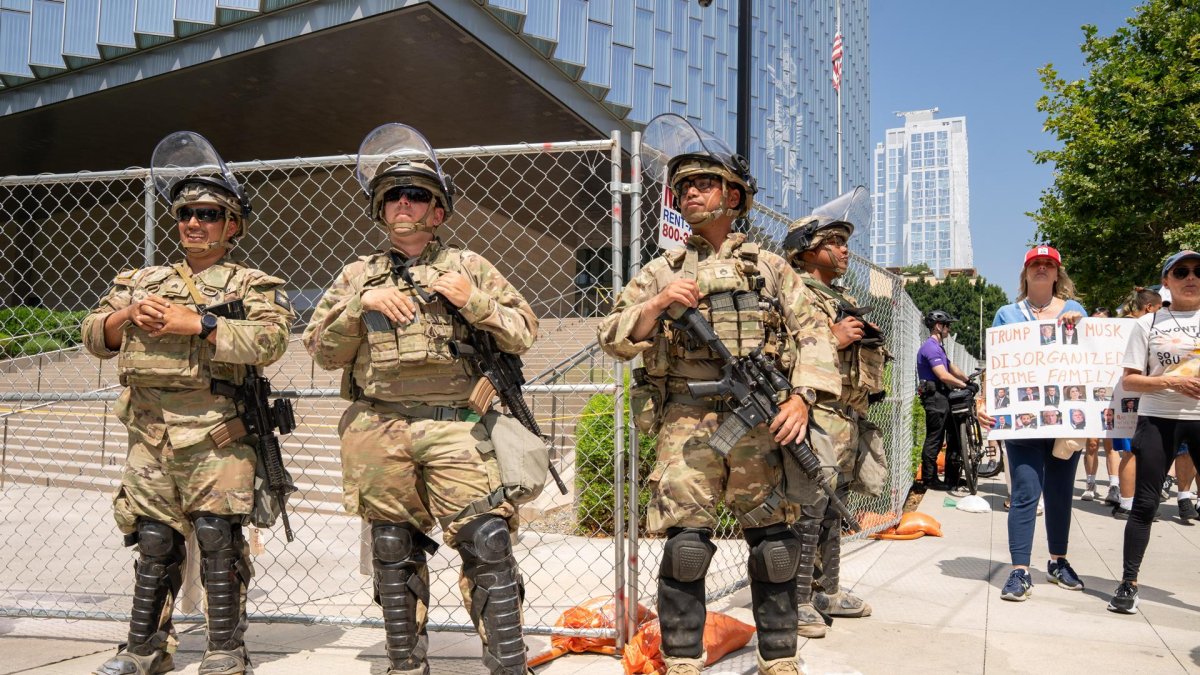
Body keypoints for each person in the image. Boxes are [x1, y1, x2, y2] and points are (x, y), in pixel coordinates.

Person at [597, 113, 840, 675]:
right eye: (682, 186)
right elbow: (611, 336)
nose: (689, 193)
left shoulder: (772, 269)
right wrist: (657, 306)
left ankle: (779, 657)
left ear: (734, 197)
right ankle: (683, 657)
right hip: (686, 419)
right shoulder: (660, 272)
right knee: (686, 547)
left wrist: (802, 398)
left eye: (702, 183)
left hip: (764, 422)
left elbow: (813, 335)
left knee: (776, 548)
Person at [302, 124, 540, 674]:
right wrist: (360, 306)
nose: (403, 204)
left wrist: (474, 301)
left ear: (437, 212)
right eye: (393, 197)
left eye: (417, 196)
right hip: (380, 428)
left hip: (458, 425)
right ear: (381, 211)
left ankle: (508, 663)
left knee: (487, 541)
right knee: (392, 546)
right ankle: (405, 663)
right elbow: (321, 350)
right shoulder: (357, 275)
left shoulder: (470, 266)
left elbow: (523, 332)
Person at [82, 132, 294, 675]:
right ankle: (144, 648)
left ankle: (225, 649)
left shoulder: (253, 283)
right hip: (150, 436)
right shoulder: (139, 281)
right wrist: (125, 317)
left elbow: (269, 343)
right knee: (154, 541)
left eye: (207, 213)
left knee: (217, 540)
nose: (193, 223)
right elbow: (92, 336)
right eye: (184, 214)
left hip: (216, 432)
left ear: (232, 225)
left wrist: (197, 323)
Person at [782, 186, 889, 637]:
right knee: (807, 508)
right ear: (807, 253)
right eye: (834, 243)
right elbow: (782, 352)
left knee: (831, 506)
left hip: (844, 415)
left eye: (845, 243)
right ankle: (797, 598)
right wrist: (835, 339)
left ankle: (827, 590)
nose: (845, 250)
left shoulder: (836, 298)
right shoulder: (796, 295)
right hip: (814, 412)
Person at [980, 245, 1088, 602]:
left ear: (1057, 274)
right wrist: (985, 400)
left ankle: (1058, 561)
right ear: (1025, 274)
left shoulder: (1075, 312)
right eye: (1035, 264)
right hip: (1022, 422)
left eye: (1048, 264)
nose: (1042, 268)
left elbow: (1091, 361)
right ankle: (1020, 570)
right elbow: (994, 365)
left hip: (1063, 423)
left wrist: (1080, 330)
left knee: (1059, 494)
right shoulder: (1007, 314)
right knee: (1025, 493)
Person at [1110, 250, 1200, 613]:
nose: (1191, 277)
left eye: (1198, 271)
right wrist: (1168, 383)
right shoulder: (1146, 325)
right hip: (1158, 419)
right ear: (1167, 281)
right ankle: (1129, 583)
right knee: (1145, 505)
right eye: (1181, 272)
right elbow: (1129, 381)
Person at [1110, 287, 1163, 512]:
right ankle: (1127, 503)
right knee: (1132, 452)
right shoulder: (1138, 327)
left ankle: (1131, 502)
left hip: (1135, 398)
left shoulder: (1125, 326)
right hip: (1131, 398)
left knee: (1135, 452)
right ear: (1149, 308)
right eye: (1162, 308)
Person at [916, 309, 973, 492]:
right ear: (938, 326)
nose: (948, 329)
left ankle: (952, 478)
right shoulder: (930, 347)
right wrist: (964, 387)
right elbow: (943, 375)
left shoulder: (939, 347)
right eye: (947, 325)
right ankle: (929, 479)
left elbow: (951, 367)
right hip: (935, 398)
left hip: (943, 396)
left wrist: (968, 380)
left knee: (954, 435)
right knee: (935, 438)